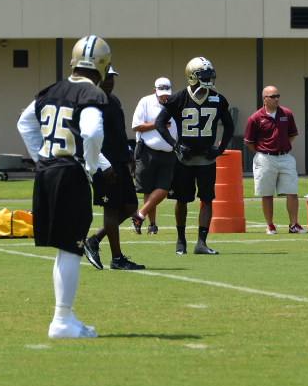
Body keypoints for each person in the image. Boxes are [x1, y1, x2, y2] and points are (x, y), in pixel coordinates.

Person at [16, 35, 111, 339]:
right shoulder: (91, 93)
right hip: (69, 174)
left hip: (46, 173)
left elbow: (24, 123)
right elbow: (93, 131)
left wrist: (41, 157)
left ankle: (64, 317)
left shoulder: (50, 90)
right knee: (71, 249)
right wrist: (93, 165)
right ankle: (61, 321)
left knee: (65, 249)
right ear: (104, 65)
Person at [152, 57, 235, 255]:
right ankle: (181, 240)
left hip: (207, 159)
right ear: (192, 76)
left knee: (207, 199)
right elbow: (159, 123)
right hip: (184, 159)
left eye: (209, 73)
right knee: (182, 199)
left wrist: (220, 149)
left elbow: (230, 126)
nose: (208, 77)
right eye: (203, 74)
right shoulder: (179, 98)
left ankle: (201, 243)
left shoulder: (218, 99)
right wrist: (175, 145)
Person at [82, 65, 145, 271]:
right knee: (112, 209)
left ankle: (94, 240)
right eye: (105, 77)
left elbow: (118, 132)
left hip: (119, 162)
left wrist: (129, 154)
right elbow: (87, 137)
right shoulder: (91, 102)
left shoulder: (114, 101)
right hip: (104, 165)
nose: (109, 81)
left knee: (130, 206)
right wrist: (103, 164)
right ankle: (117, 258)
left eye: (112, 78)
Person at [244, 85, 307, 234]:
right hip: (265, 159)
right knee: (267, 193)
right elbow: (249, 141)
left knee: (292, 192)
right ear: (264, 98)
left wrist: (281, 147)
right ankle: (270, 225)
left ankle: (293, 225)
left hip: (285, 157)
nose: (276, 99)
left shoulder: (286, 113)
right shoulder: (255, 118)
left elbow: (292, 135)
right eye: (273, 96)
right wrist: (264, 151)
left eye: (278, 96)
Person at [130, 77, 177, 236]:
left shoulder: (174, 103)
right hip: (148, 150)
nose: (164, 97)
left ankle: (139, 215)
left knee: (163, 189)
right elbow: (136, 126)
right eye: (161, 93)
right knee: (149, 189)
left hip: (169, 151)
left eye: (167, 94)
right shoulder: (145, 102)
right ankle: (152, 225)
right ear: (155, 90)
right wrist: (158, 124)